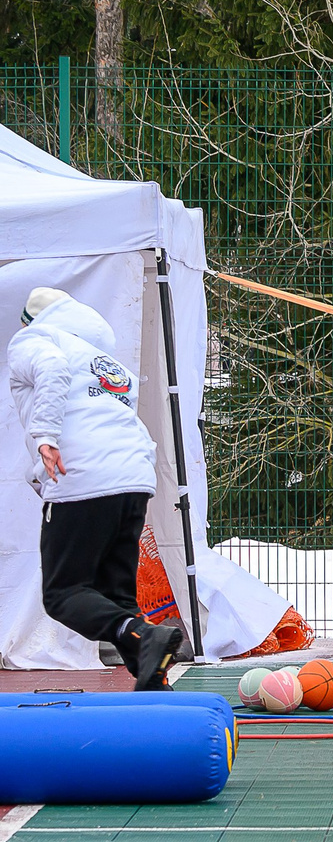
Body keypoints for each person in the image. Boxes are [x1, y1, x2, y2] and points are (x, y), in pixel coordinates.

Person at [10, 287, 186, 687]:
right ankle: (153, 682)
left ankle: (143, 634)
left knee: (63, 592)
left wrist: (44, 437)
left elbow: (51, 372)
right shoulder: (103, 360)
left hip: (84, 477)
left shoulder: (35, 341)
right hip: (133, 479)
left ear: (31, 322)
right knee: (117, 596)